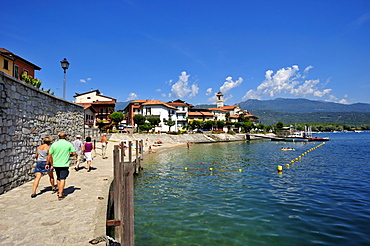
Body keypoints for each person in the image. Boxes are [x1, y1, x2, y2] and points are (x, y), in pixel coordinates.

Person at [48, 133, 76, 200]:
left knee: (58, 177)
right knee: (63, 178)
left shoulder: (54, 144)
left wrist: (50, 163)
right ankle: (60, 194)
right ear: (65, 137)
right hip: (64, 164)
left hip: (56, 164)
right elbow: (74, 153)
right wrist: (69, 156)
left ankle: (58, 190)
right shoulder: (68, 144)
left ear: (59, 137)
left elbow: (50, 154)